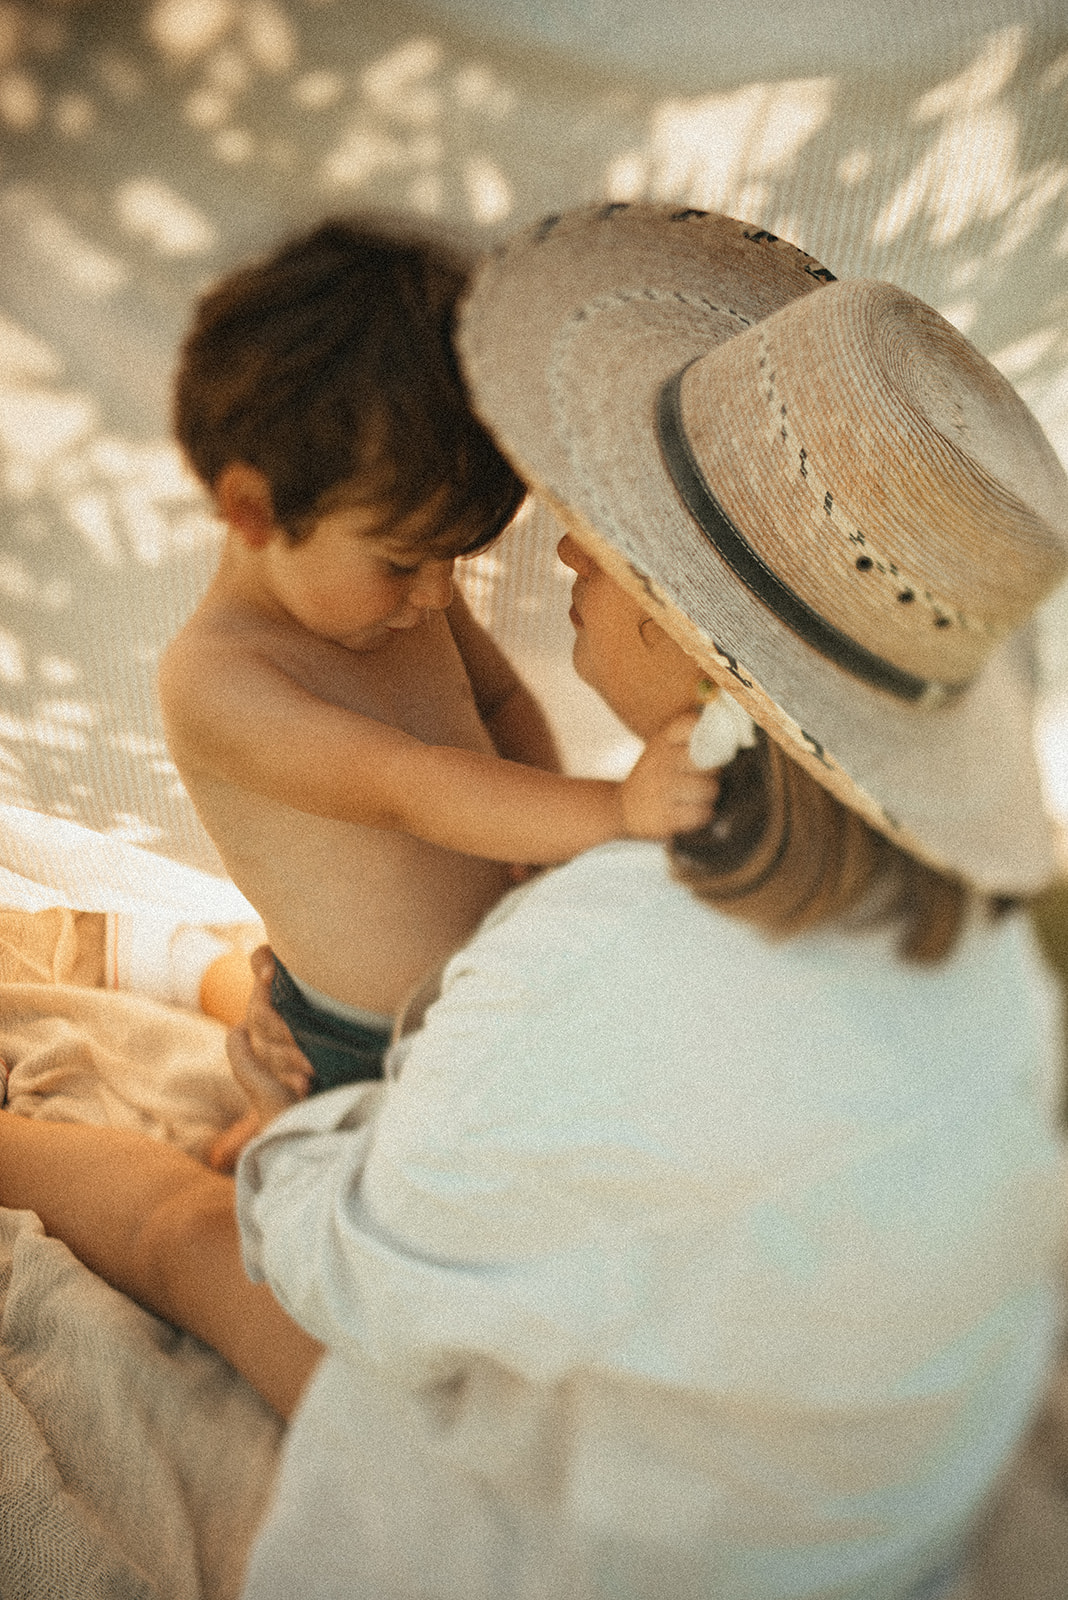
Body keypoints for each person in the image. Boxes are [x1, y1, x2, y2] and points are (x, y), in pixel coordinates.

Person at [0, 202, 1066, 1599]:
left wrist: (295, 1140)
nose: (562, 549)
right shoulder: (973, 952)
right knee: (282, 1014)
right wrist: (581, 849)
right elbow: (413, 793)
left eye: (623, 543)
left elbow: (347, 1254)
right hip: (402, 1024)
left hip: (549, 1360)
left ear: (697, 646)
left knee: (189, 1219)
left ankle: (169, 1013)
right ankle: (198, 978)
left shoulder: (602, 947)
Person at [160, 218, 716, 1163]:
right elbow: (411, 788)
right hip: (362, 1042)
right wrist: (613, 810)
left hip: (491, 980)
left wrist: (542, 852)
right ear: (253, 511)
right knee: (341, 1194)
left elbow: (496, 706)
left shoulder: (401, 603)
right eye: (403, 563)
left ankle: (197, 993)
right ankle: (244, 1108)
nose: (435, 596)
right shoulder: (223, 681)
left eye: (452, 560)